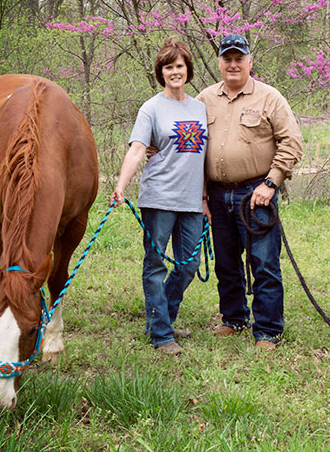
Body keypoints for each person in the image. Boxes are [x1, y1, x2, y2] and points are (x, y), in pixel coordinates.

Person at [197, 34, 303, 351]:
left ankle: (268, 330)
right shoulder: (204, 99)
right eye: (227, 59)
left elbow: (292, 142)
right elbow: (193, 151)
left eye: (238, 58)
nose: (232, 64)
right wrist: (202, 196)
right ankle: (234, 318)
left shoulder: (270, 98)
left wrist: (270, 183)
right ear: (219, 62)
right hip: (217, 194)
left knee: (264, 262)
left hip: (256, 193)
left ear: (249, 62)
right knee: (226, 263)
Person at [111, 37, 209, 355]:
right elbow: (138, 148)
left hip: (192, 200)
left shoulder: (199, 108)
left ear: (188, 70)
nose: (174, 72)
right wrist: (121, 185)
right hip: (158, 198)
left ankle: (160, 318)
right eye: (168, 67)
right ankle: (162, 334)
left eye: (179, 66)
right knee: (155, 265)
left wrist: (205, 198)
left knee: (189, 265)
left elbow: (204, 157)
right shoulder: (151, 108)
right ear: (161, 72)